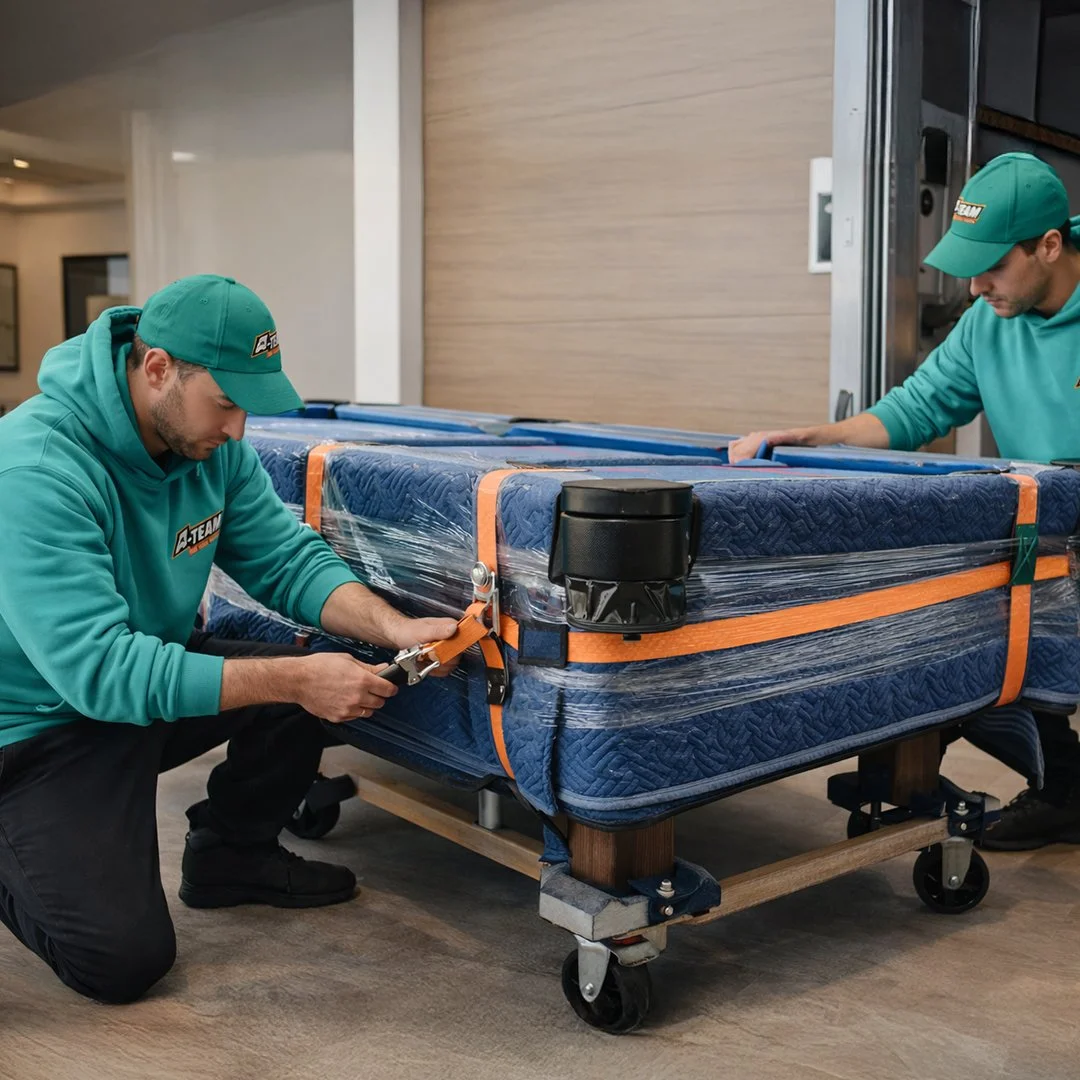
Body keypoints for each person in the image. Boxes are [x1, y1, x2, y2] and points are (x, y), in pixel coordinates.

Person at [0, 274, 459, 1004]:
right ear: (157, 370)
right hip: (39, 729)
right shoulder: (37, 469)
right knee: (121, 964)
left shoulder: (209, 449)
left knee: (303, 678)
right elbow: (99, 674)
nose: (238, 429)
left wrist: (392, 626)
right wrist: (295, 681)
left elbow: (284, 560)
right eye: (225, 403)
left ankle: (230, 857)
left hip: (142, 681)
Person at [728, 152, 1080, 851]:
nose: (977, 287)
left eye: (993, 267)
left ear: (1048, 245)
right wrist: (813, 436)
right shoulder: (988, 325)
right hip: (1050, 533)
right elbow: (914, 410)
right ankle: (1065, 790)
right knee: (976, 632)